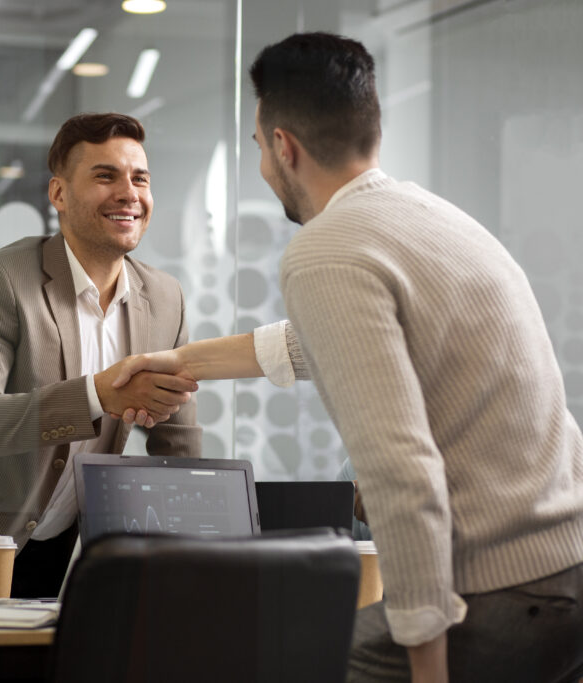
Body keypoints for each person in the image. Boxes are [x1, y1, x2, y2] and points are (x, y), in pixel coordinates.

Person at [111, 33, 583, 682]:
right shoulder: (431, 220)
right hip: (565, 572)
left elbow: (400, 467)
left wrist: (427, 660)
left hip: (497, 595)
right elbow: (323, 342)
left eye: (257, 147)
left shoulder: (327, 249)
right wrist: (180, 362)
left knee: (260, 655)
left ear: (283, 147)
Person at [0, 112, 300, 598]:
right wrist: (98, 395)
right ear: (58, 195)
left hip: (58, 544)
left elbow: (176, 441)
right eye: (105, 176)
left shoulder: (164, 296)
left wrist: (195, 557)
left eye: (140, 178)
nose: (129, 193)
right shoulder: (0, 281)